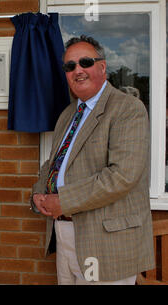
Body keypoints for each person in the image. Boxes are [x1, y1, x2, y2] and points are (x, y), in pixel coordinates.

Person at [31, 35, 154, 285]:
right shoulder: (69, 113)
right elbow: (54, 162)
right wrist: (38, 193)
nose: (78, 70)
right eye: (70, 66)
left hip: (105, 241)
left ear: (102, 67)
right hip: (63, 232)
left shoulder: (127, 109)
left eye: (85, 62)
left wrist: (63, 200)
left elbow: (122, 176)